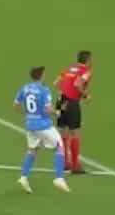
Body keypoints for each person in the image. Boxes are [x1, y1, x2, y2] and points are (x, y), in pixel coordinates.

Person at [13, 66, 71, 194]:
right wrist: (57, 112)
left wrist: (28, 114)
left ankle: (23, 177)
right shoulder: (44, 90)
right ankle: (59, 178)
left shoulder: (24, 88)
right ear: (41, 75)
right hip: (43, 125)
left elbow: (15, 106)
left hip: (30, 124)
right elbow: (47, 109)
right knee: (59, 146)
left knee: (32, 150)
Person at [54, 50, 92, 175]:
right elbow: (77, 84)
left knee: (63, 131)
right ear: (87, 60)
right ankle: (75, 165)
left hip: (61, 100)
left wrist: (64, 92)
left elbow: (56, 83)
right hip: (72, 102)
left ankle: (65, 162)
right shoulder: (85, 71)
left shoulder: (69, 68)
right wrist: (85, 95)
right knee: (75, 133)